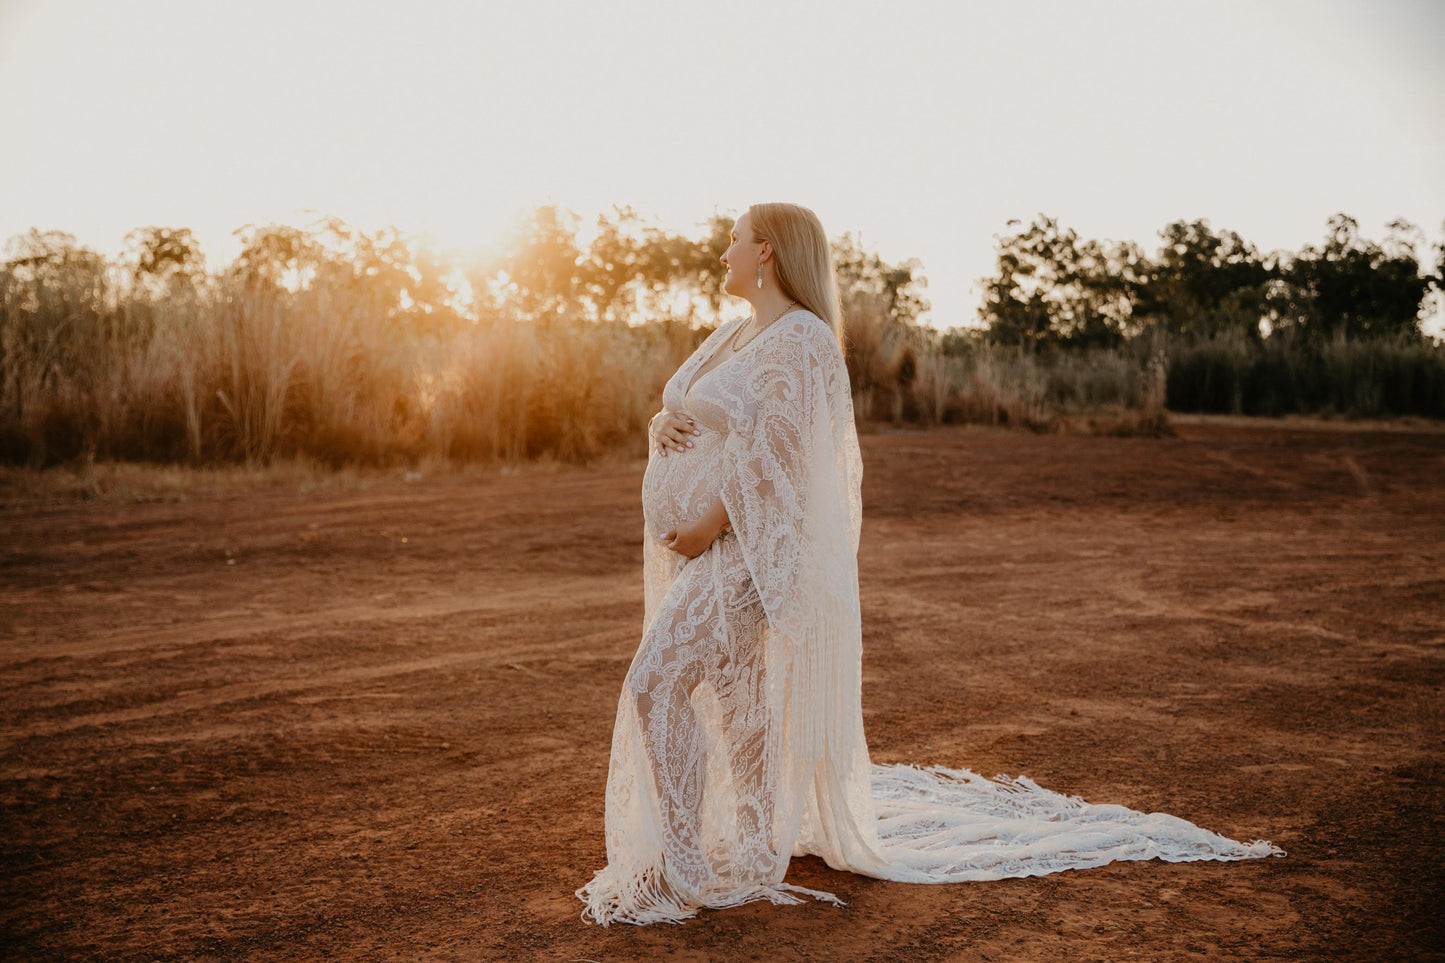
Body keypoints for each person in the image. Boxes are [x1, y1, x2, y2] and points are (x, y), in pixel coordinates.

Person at [575, 202, 1284, 927]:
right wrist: (660, 422)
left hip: (750, 550)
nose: (721, 252)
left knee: (657, 680)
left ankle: (683, 865)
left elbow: (782, 456)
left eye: (733, 241)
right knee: (738, 693)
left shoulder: (802, 339)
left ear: (767, 252)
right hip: (715, 547)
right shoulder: (733, 333)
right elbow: (691, 406)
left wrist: (701, 523)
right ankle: (755, 848)